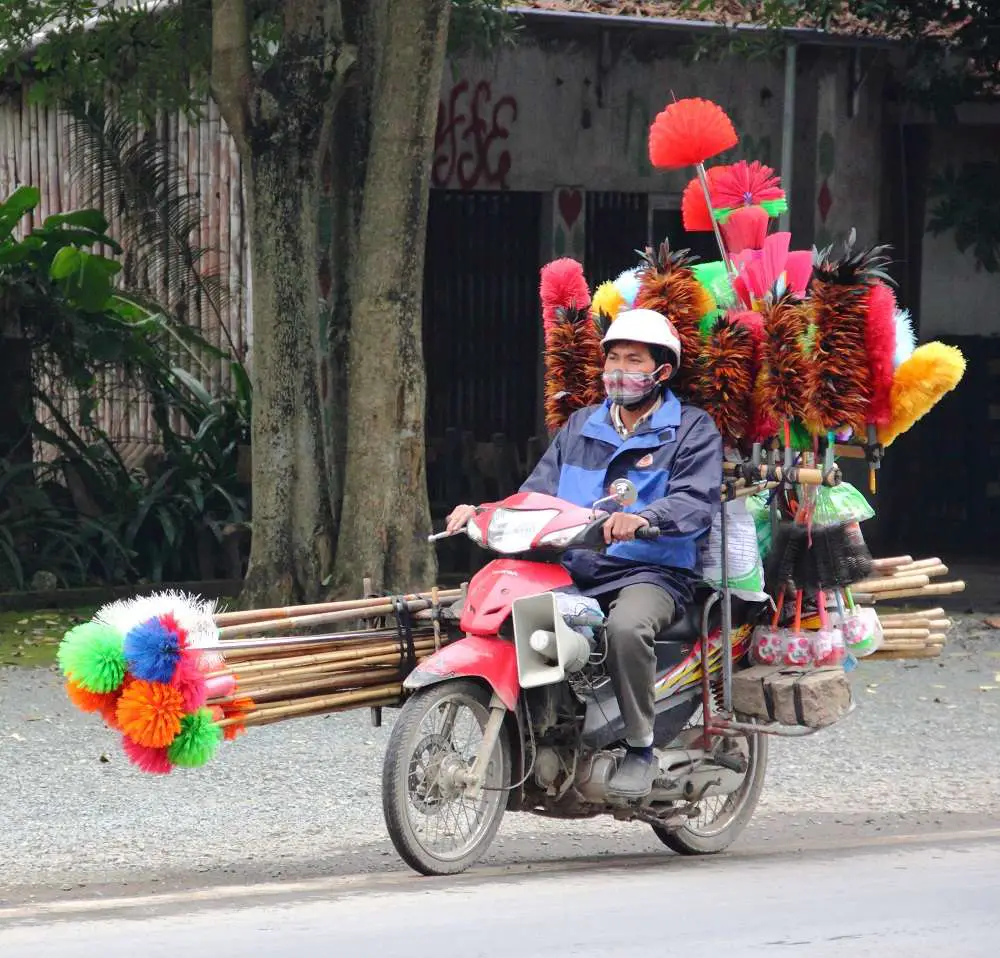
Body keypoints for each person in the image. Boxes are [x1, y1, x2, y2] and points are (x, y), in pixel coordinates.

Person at [446, 308, 723, 799]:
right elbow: (536, 493)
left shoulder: (692, 429)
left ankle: (640, 746)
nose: (619, 370)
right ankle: (553, 731)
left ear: (662, 371)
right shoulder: (580, 426)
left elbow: (694, 500)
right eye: (612, 358)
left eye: (633, 360)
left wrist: (646, 518)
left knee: (626, 628)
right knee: (519, 612)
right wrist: (483, 511)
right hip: (576, 564)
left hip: (653, 571)